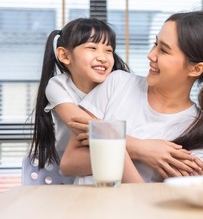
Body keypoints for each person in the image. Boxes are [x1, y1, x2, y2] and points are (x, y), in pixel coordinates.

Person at [61, 10, 203, 183]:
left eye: (163, 50)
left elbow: (159, 199)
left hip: (137, 209)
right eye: (155, 44)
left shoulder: (201, 129)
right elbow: (70, 163)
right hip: (86, 206)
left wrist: (112, 140)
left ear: (195, 69)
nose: (151, 54)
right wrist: (139, 148)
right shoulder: (116, 83)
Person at [22, 17, 130, 185]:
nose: (103, 57)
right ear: (65, 55)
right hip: (69, 169)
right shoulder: (58, 86)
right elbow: (88, 130)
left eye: (108, 50)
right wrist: (142, 148)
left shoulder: (116, 84)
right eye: (92, 48)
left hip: (106, 165)